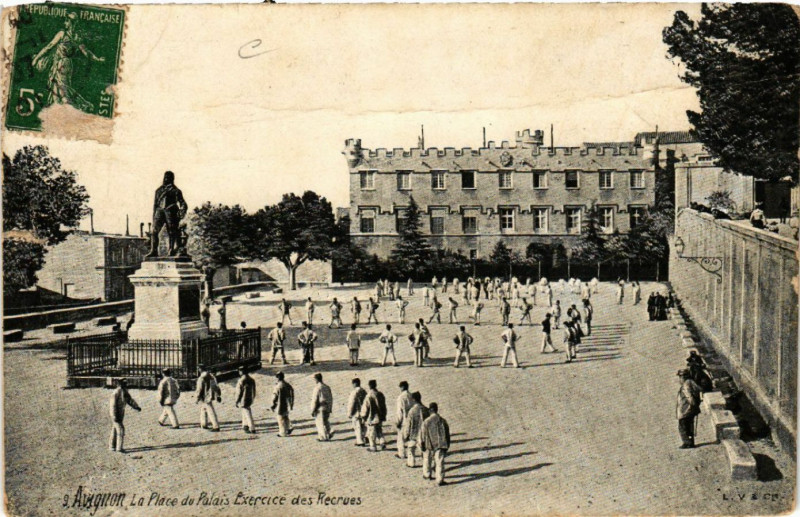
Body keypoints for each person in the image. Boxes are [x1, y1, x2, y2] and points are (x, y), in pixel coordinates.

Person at [420, 402, 451, 486]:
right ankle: (440, 480)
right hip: (440, 444)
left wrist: (422, 444)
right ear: (436, 409)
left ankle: (427, 475)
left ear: (430, 410)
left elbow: (422, 434)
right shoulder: (443, 421)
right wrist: (447, 445)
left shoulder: (426, 421)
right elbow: (447, 434)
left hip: (429, 444)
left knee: (427, 459)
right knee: (440, 462)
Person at [108, 379, 141, 453]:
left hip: (120, 414)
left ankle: (112, 446)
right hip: (116, 414)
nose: (126, 384)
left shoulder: (124, 391)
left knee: (115, 429)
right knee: (121, 429)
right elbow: (112, 406)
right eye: (124, 383)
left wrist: (136, 407)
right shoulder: (116, 392)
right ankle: (119, 448)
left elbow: (130, 400)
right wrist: (114, 415)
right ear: (120, 383)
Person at [402, 392, 430, 468]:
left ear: (413, 400)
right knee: (424, 451)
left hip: (413, 435)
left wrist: (406, 435)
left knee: (411, 450)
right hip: (424, 436)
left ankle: (411, 463)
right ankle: (427, 464)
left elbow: (408, 425)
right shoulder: (426, 409)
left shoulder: (412, 411)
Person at [676, 369, 702, 448]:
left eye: (680, 377)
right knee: (690, 426)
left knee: (683, 426)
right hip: (691, 409)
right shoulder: (692, 382)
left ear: (683, 377)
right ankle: (691, 442)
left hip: (686, 409)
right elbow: (699, 391)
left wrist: (693, 404)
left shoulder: (685, 385)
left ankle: (687, 442)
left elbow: (689, 397)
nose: (679, 379)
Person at [360, 379, 388, 451]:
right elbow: (384, 406)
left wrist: (363, 416)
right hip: (380, 416)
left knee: (371, 433)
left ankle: (373, 447)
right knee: (379, 431)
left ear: (369, 386)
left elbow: (365, 408)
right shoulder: (380, 394)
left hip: (371, 417)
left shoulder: (368, 396)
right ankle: (382, 442)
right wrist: (384, 415)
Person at [195, 364, 221, 432]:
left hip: (204, 396)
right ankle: (204, 424)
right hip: (209, 395)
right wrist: (217, 395)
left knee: (210, 411)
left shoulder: (201, 378)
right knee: (204, 409)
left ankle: (216, 426)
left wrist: (197, 397)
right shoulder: (211, 376)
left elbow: (199, 389)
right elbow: (215, 386)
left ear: (200, 369)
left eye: (198, 368)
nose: (198, 370)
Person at [310, 373, 334, 441]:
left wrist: (313, 410)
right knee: (325, 421)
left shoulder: (317, 388)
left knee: (320, 423)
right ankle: (330, 432)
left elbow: (315, 400)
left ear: (316, 379)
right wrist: (330, 407)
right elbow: (330, 398)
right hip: (327, 407)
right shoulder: (327, 387)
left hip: (320, 408)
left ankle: (323, 437)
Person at [270, 371, 294, 437]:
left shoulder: (278, 386)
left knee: (280, 418)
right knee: (285, 417)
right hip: (286, 403)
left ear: (278, 378)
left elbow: (275, 397)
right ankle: (288, 428)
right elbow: (292, 391)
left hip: (280, 404)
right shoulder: (286, 384)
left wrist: (273, 405)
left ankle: (282, 432)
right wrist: (291, 403)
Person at [395, 381, 414, 459]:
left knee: (401, 439)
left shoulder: (401, 397)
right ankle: (411, 456)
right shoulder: (411, 395)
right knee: (411, 438)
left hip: (404, 421)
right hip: (412, 420)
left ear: (402, 387)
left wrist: (398, 422)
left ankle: (401, 454)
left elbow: (400, 411)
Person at [235, 366, 257, 434]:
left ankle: (252, 428)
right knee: (244, 411)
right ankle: (245, 425)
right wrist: (252, 398)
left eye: (239, 371)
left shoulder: (241, 380)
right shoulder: (251, 379)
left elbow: (239, 392)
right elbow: (254, 390)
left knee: (247, 413)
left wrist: (237, 401)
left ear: (242, 372)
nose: (239, 372)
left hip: (243, 399)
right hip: (249, 398)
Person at [347, 378, 368, 446]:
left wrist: (349, 413)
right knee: (363, 426)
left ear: (355, 384)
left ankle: (360, 441)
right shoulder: (364, 391)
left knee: (357, 427)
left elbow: (351, 403)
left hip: (356, 412)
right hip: (364, 411)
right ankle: (363, 438)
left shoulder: (354, 392)